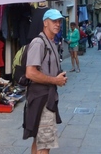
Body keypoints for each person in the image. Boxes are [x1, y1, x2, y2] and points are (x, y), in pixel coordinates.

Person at [23, 8, 68, 154]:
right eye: (54, 21)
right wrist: (55, 80)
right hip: (41, 99)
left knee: (39, 140)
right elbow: (30, 73)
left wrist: (58, 77)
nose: (58, 24)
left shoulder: (52, 42)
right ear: (45, 23)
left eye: (59, 21)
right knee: (45, 144)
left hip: (46, 97)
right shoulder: (39, 43)